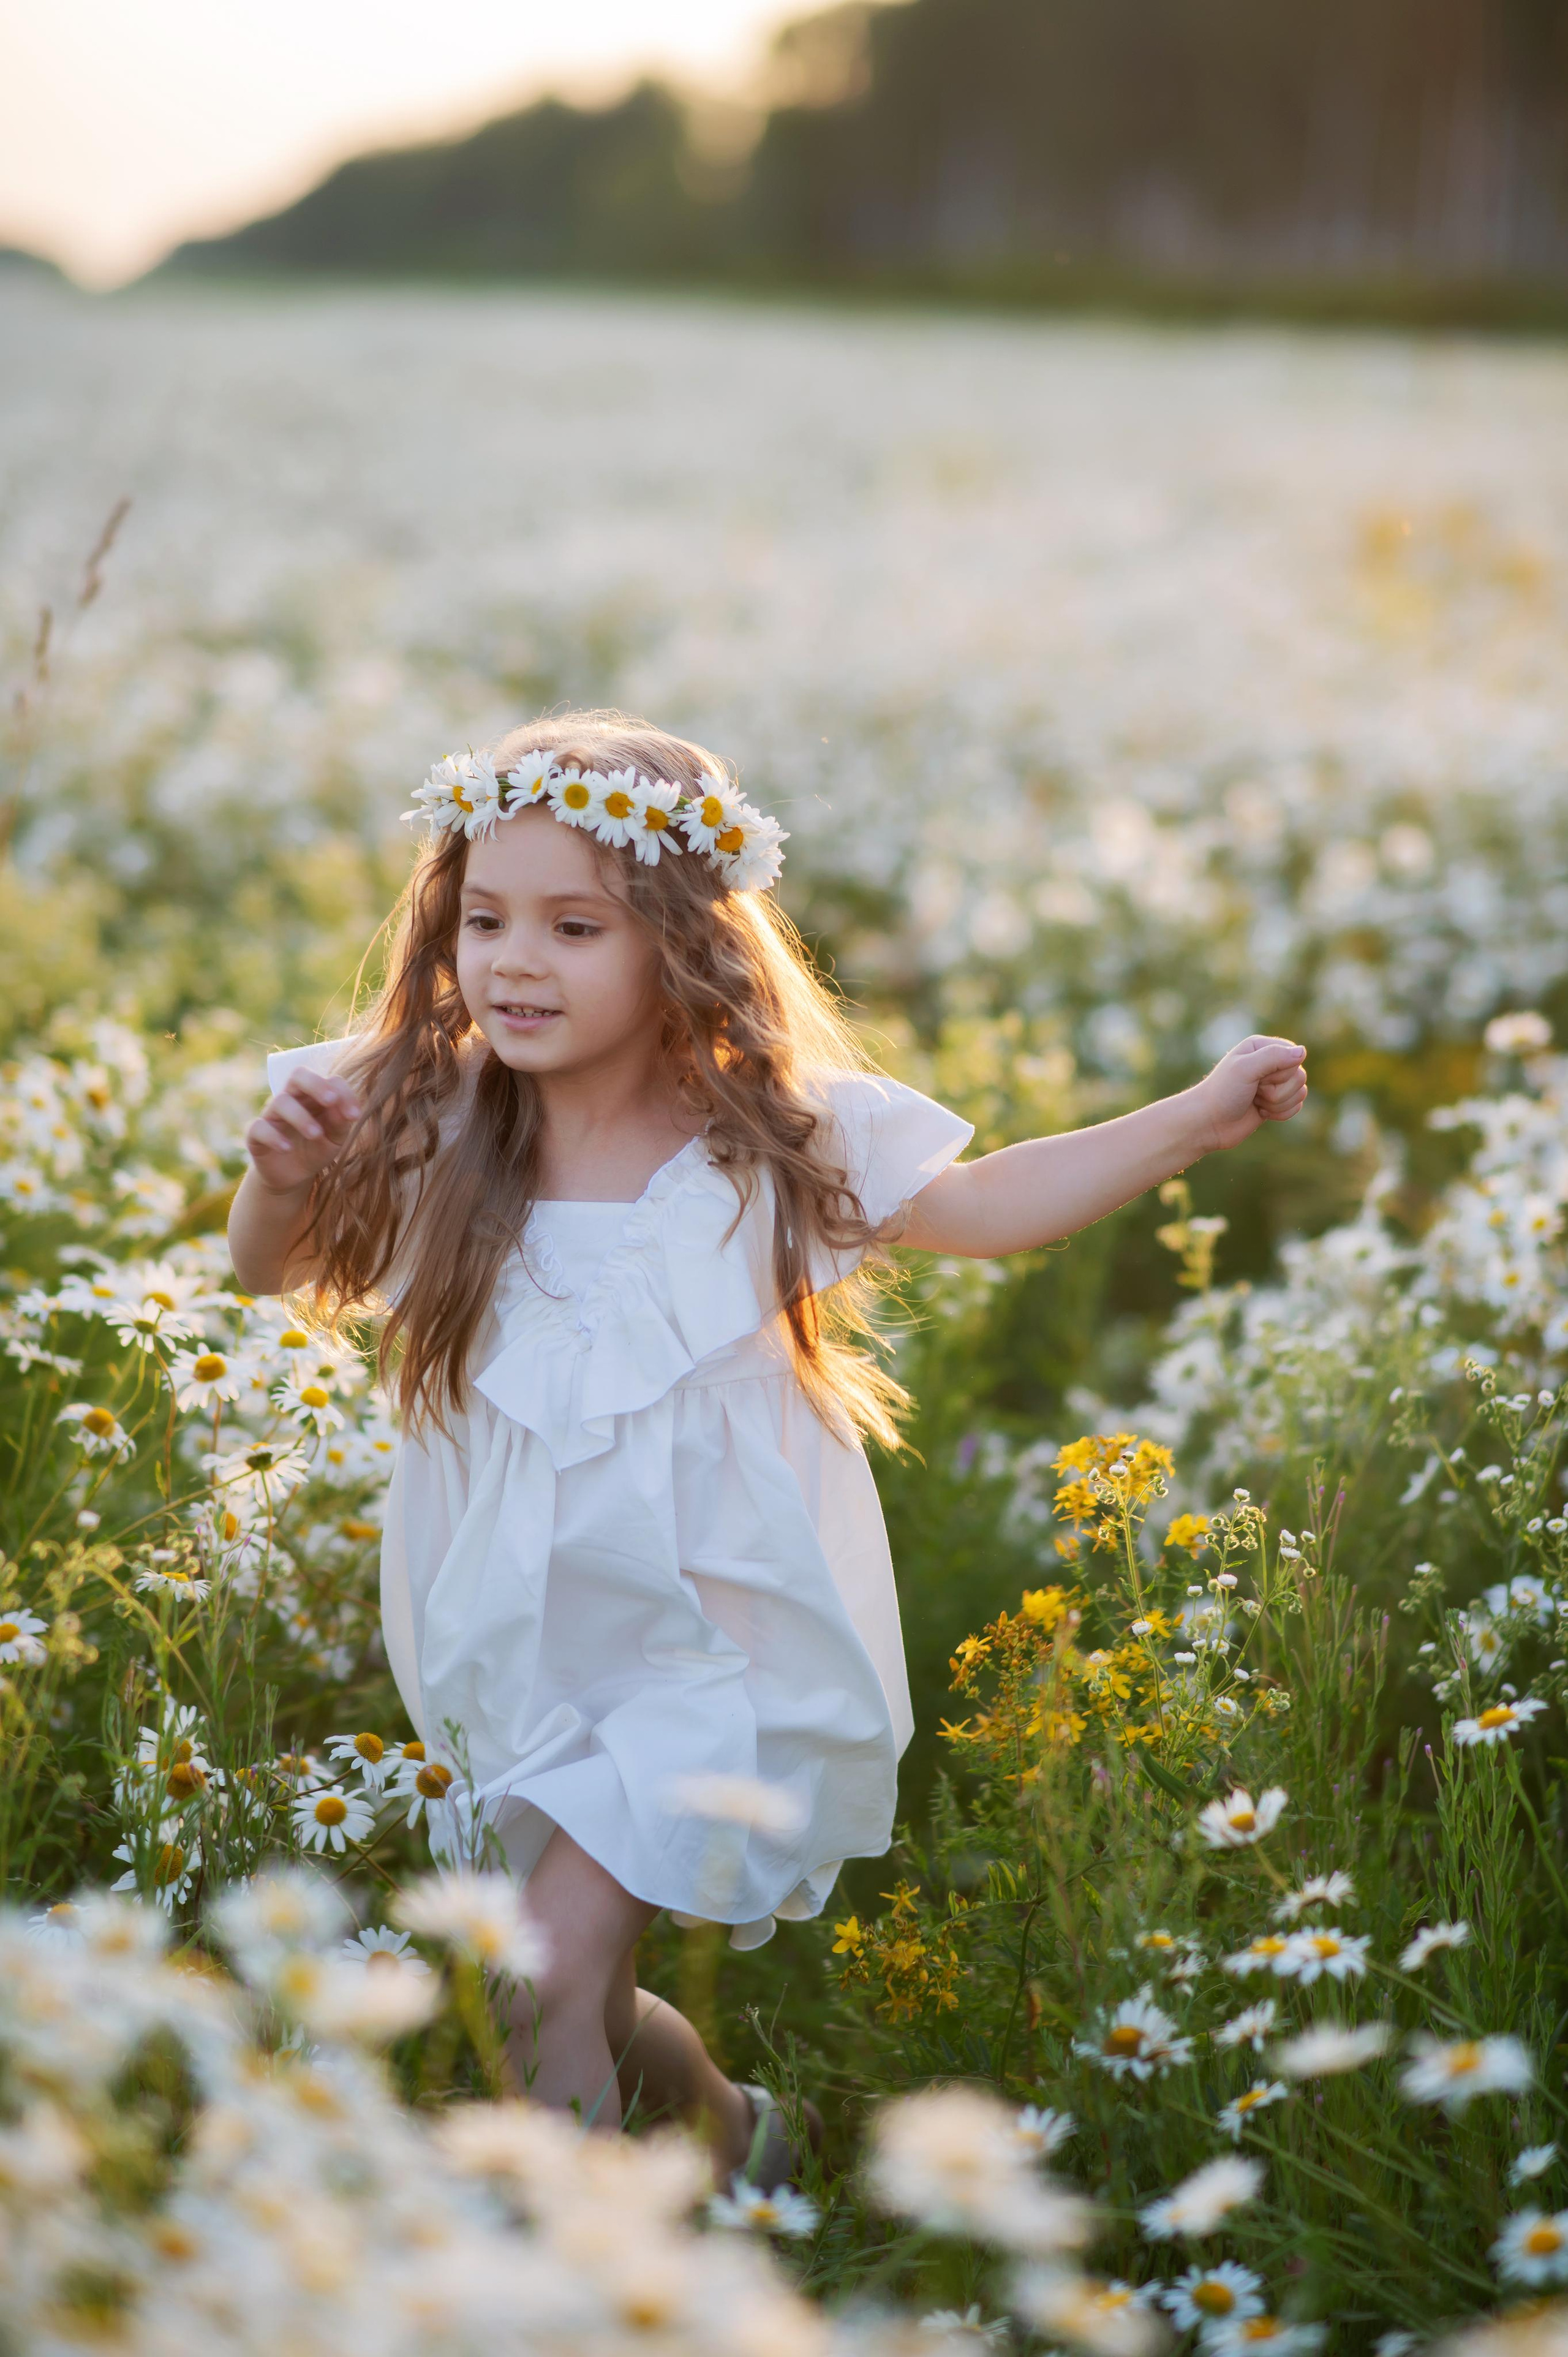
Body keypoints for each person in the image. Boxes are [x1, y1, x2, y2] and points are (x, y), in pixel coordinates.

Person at [228, 710, 1308, 2182]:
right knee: (577, 1996)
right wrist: (279, 1178)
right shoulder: (431, 1110)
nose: (515, 961)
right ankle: (738, 2138)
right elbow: (276, 1271)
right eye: (483, 918)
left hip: (710, 1645)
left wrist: (1190, 1119)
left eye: (572, 925)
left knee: (539, 1982)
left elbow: (984, 1206)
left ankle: (592, 2292)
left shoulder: (765, 1134)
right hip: (523, 1637)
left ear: (675, 938)